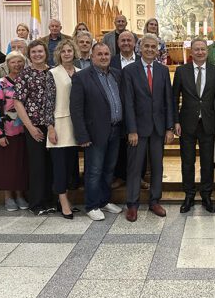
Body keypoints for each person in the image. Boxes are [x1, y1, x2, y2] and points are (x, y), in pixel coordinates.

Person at [122, 33, 174, 222]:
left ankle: (154, 201)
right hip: (138, 129)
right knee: (135, 168)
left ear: (158, 49)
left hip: (158, 128)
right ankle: (132, 205)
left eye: (154, 47)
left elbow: (168, 100)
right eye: (147, 46)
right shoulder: (130, 71)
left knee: (157, 167)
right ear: (140, 48)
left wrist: (169, 127)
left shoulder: (163, 70)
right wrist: (131, 130)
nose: (150, 50)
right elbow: (128, 102)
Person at [71, 43, 124, 221]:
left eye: (106, 54)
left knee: (109, 169)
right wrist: (82, 135)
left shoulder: (116, 74)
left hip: (115, 129)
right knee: (94, 170)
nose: (103, 57)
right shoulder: (82, 77)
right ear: (92, 57)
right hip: (94, 132)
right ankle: (92, 205)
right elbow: (76, 109)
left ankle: (104, 200)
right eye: (99, 54)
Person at [173, 38, 215, 213]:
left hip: (208, 123)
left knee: (207, 162)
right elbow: (174, 99)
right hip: (186, 123)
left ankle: (206, 195)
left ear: (207, 52)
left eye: (203, 49)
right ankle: (189, 195)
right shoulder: (181, 71)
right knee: (187, 162)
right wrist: (176, 121)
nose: (200, 52)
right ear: (191, 52)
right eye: (197, 49)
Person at [13, 39, 56, 216]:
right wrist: (30, 127)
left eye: (40, 51)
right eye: (34, 52)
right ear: (29, 55)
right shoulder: (25, 74)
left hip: (53, 125)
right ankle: (37, 202)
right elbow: (17, 102)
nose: (37, 55)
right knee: (37, 165)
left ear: (46, 53)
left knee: (52, 165)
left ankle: (51, 200)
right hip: (35, 126)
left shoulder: (53, 72)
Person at [46, 39, 81, 219]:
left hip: (76, 125)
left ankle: (66, 198)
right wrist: (50, 128)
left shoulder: (81, 72)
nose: (67, 53)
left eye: (70, 50)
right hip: (59, 123)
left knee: (70, 166)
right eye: (64, 51)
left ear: (74, 53)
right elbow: (48, 102)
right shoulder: (53, 73)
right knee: (59, 166)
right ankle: (63, 201)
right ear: (59, 54)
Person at [0, 51, 29, 212]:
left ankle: (20, 195)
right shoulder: (1, 83)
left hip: (25, 130)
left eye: (20, 62)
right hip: (7, 130)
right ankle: (8, 197)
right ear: (7, 64)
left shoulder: (27, 81)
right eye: (13, 62)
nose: (17, 65)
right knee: (8, 166)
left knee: (21, 164)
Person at [109, 30, 143, 190]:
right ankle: (121, 176)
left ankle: (140, 177)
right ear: (118, 43)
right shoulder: (111, 61)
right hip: (118, 108)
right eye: (123, 40)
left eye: (129, 40)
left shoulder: (143, 61)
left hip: (140, 109)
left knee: (140, 145)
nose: (126, 43)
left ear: (135, 43)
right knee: (121, 144)